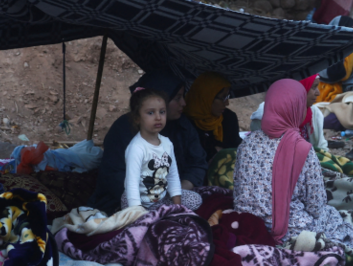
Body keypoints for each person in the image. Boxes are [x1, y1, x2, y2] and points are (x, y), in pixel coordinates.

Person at [233, 79, 353, 248]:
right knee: (336, 220)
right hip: (290, 230)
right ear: (296, 108)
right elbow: (316, 207)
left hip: (247, 226)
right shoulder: (301, 149)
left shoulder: (246, 143)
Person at [89, 72, 207, 214]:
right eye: (177, 98)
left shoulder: (180, 129)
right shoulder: (127, 134)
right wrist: (145, 206)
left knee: (196, 200)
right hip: (134, 198)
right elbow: (118, 179)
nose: (184, 103)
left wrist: (177, 204)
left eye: (162, 112)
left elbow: (194, 165)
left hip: (164, 195)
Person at [122, 88, 203, 211]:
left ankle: (162, 214)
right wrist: (137, 213)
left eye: (162, 112)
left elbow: (173, 176)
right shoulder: (136, 148)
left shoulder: (167, 143)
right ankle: (150, 216)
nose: (158, 117)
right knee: (139, 215)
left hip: (160, 198)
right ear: (137, 118)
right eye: (150, 113)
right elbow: (131, 185)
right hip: (138, 202)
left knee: (195, 199)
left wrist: (177, 207)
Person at [184, 72, 242, 163]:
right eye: (223, 98)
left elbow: (236, 149)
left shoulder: (228, 118)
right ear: (207, 97)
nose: (227, 103)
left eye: (227, 96)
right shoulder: (185, 122)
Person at [316, 16, 353, 102]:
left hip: (350, 98)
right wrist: (350, 51)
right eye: (351, 29)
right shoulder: (328, 49)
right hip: (330, 99)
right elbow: (342, 75)